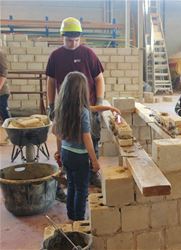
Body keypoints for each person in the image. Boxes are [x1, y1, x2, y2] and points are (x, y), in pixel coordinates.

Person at [46, 17, 105, 190]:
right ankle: (66, 169)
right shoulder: (56, 56)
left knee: (92, 138)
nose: (73, 44)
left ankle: (92, 173)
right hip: (65, 108)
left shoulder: (88, 54)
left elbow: (99, 79)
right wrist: (51, 105)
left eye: (76, 40)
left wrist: (99, 103)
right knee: (66, 140)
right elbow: (50, 82)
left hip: (89, 106)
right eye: (69, 40)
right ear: (62, 37)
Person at [53, 71, 105, 221]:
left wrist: (59, 152)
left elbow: (56, 132)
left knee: (71, 186)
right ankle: (79, 220)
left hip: (66, 153)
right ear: (83, 90)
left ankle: (71, 216)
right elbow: (87, 137)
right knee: (82, 189)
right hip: (79, 156)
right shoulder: (82, 111)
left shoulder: (61, 108)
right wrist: (94, 160)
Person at [0, 50, 10, 145]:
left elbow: (4, 72)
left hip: (2, 92)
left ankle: (12, 135)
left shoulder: (0, 54)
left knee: (4, 112)